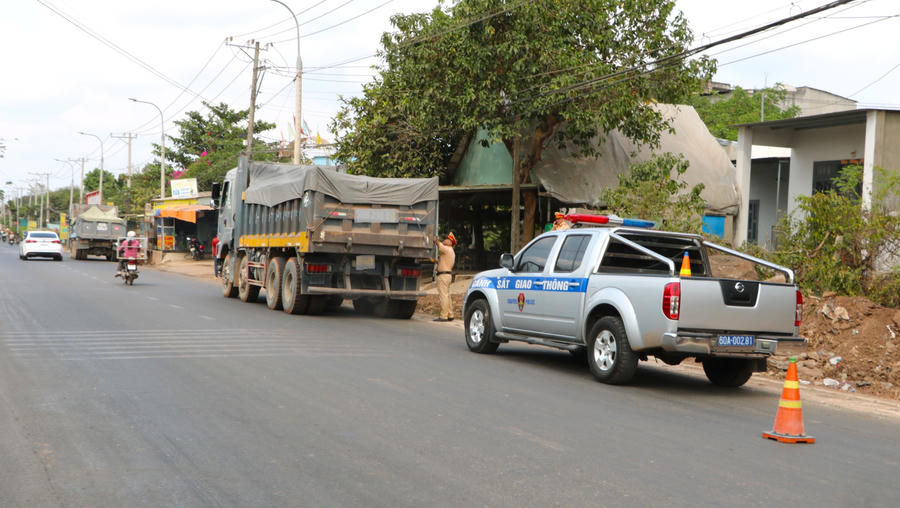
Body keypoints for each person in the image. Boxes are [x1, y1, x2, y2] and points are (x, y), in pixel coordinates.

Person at [433, 232, 457, 322]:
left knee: (443, 296)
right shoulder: (451, 252)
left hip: (443, 275)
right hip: (447, 275)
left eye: (447, 239)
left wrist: (435, 239)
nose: (445, 240)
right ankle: (450, 314)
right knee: (447, 296)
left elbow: (438, 244)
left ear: (450, 242)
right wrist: (436, 262)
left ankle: (443, 316)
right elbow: (443, 262)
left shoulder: (447, 249)